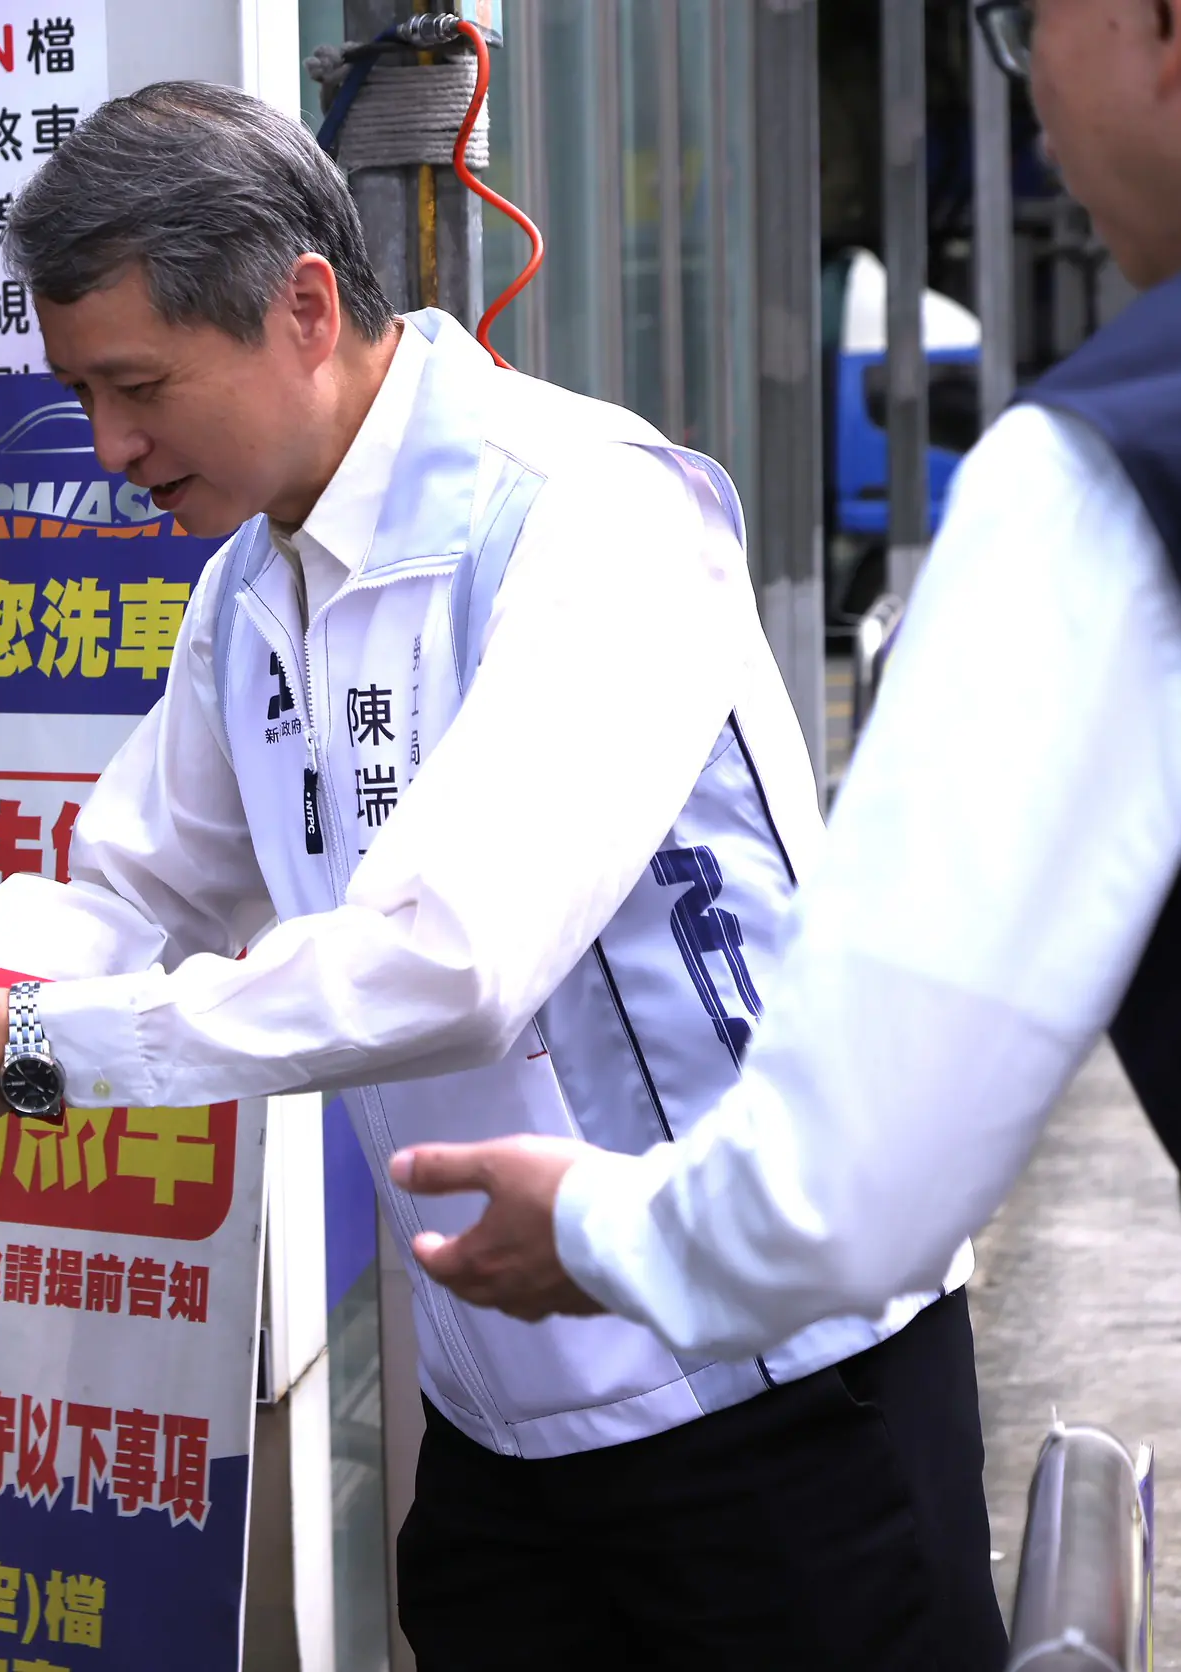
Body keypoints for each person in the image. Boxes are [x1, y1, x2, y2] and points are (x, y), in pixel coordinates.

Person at [0, 81, 1004, 1670]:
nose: (111, 446)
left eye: (135, 385)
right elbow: (132, 882)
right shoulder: (251, 581)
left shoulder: (580, 513)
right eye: (80, 396)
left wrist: (42, 1047)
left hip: (771, 1380)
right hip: (506, 1414)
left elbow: (450, 961)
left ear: (302, 308)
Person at [385, 0, 1181, 1358]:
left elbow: (848, 1195)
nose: (1030, 81)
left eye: (1022, 22)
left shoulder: (1095, 473)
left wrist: (597, 1227)